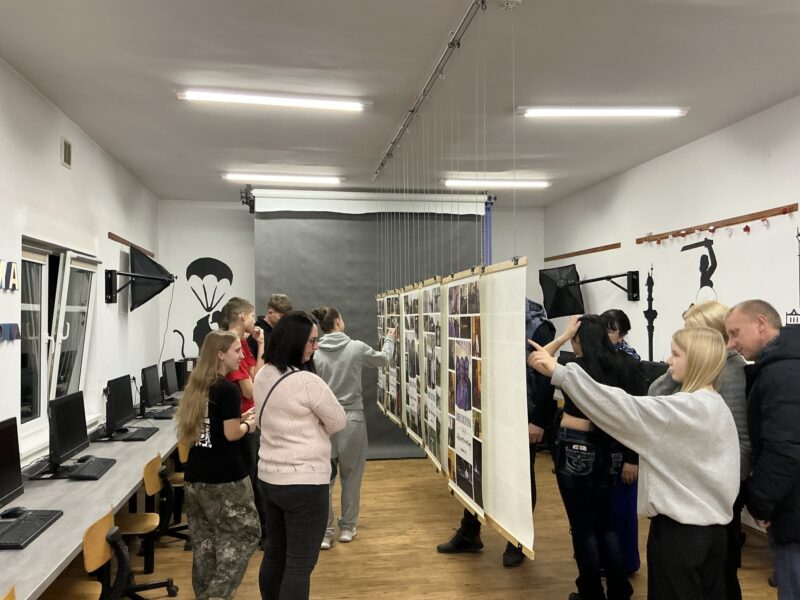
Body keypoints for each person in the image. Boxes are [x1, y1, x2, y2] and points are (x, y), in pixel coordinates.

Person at [529, 326, 740, 600]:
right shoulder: (716, 405)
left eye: (676, 354)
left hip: (681, 536)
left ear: (697, 361)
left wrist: (562, 373)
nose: (668, 361)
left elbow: (621, 407)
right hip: (713, 535)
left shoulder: (684, 409)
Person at [436, 298, 555, 568]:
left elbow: (547, 377)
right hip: (489, 412)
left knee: (520, 479)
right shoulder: (492, 320)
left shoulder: (538, 327)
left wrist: (539, 421)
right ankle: (470, 533)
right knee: (476, 470)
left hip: (522, 415)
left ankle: (518, 540)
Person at [528, 314, 633, 600]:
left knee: (583, 526)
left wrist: (563, 336)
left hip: (576, 447)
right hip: (609, 447)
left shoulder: (574, 368)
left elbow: (537, 359)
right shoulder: (620, 365)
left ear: (579, 339)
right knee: (607, 524)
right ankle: (620, 589)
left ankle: (590, 591)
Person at [651, 301, 750, 600]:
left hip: (714, 493)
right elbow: (654, 395)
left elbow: (740, 441)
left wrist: (722, 488)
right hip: (704, 489)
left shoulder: (730, 372)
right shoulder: (707, 371)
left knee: (718, 575)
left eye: (690, 334)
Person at [253, 311, 346, 600]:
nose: (315, 347)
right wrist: (315, 424)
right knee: (299, 565)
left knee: (275, 554)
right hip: (305, 482)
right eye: (311, 341)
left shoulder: (263, 374)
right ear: (294, 341)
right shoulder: (307, 381)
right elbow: (338, 421)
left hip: (269, 478)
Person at [175, 329, 261, 600]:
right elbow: (231, 434)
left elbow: (210, 426)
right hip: (226, 479)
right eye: (237, 351)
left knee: (205, 543)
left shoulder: (197, 386)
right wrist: (249, 424)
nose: (242, 356)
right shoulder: (227, 389)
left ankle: (205, 593)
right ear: (221, 355)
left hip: (196, 477)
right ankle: (217, 595)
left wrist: (240, 417)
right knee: (247, 534)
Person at [725, 299, 800, 599]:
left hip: (793, 513)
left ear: (760, 323)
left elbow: (785, 448)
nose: (731, 344)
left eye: (735, 333)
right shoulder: (782, 365)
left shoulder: (781, 373)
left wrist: (760, 503)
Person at [310, 306, 396, 549]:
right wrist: (390, 339)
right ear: (338, 321)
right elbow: (383, 359)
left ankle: (325, 532)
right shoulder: (356, 347)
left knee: (324, 479)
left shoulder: (314, 353)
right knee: (351, 476)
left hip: (324, 421)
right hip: (352, 420)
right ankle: (347, 527)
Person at [601, 309, 647, 576]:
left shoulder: (630, 364)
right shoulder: (601, 359)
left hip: (623, 452)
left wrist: (632, 459)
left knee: (622, 513)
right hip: (605, 450)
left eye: (610, 330)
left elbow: (636, 416)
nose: (605, 335)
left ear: (622, 334)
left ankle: (626, 564)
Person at [221, 297, 266, 542]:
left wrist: (261, 346)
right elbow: (249, 390)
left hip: (249, 416)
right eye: (251, 315)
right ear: (241, 316)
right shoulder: (231, 345)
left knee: (255, 475)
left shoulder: (244, 344)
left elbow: (257, 375)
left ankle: (260, 529)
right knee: (251, 477)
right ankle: (259, 532)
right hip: (241, 420)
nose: (254, 320)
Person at [248, 293, 293, 359]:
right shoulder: (256, 334)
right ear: (270, 313)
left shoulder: (280, 332)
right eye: (282, 317)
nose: (285, 321)